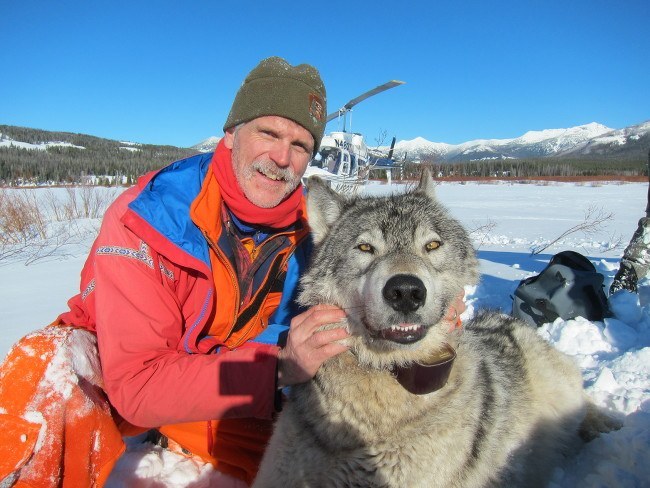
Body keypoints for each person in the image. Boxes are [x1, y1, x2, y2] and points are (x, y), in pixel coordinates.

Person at [0, 56, 463, 487]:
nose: (282, 157)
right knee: (47, 371)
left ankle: (184, 433)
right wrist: (280, 366)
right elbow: (137, 385)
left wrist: (426, 310)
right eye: (267, 133)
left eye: (300, 144)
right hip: (123, 379)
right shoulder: (148, 218)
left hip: (231, 389)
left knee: (332, 456)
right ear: (230, 133)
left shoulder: (324, 236)